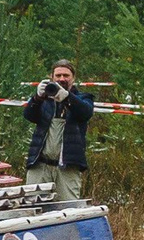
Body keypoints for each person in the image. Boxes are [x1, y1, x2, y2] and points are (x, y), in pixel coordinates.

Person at [22, 61, 94, 202]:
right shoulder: (44, 100)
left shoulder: (84, 99)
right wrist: (36, 98)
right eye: (58, 75)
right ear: (52, 77)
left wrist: (67, 97)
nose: (62, 79)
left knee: (69, 209)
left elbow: (85, 113)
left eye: (66, 75)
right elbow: (29, 116)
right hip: (40, 165)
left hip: (67, 167)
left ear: (73, 78)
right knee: (31, 207)